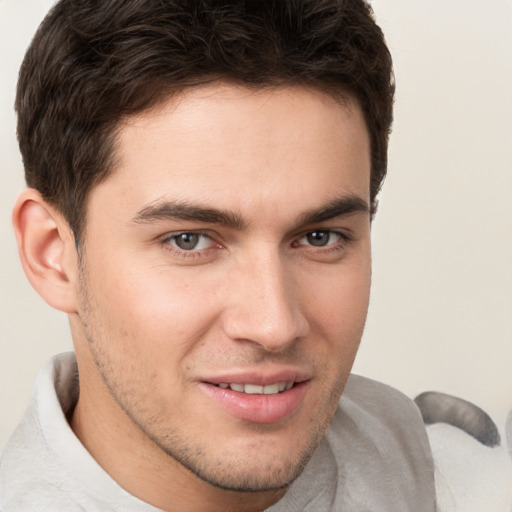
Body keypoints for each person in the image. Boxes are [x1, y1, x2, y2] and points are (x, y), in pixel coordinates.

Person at [0, 0, 436, 510]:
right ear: (52, 254)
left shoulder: (418, 448)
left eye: (320, 237)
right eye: (190, 240)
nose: (274, 325)